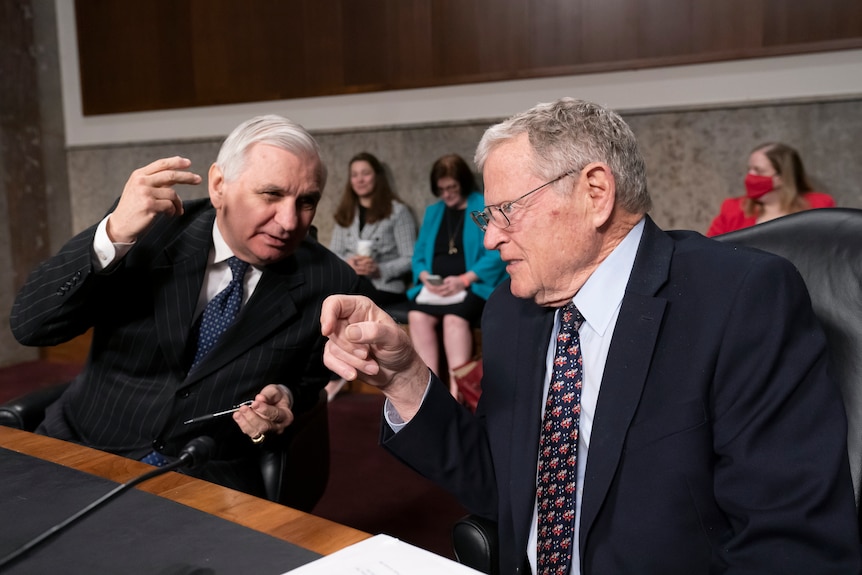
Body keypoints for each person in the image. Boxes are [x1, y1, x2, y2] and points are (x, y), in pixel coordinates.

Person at [320, 98, 861, 574]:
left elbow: (788, 541)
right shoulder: (512, 309)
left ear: (595, 192)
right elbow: (502, 486)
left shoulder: (739, 300)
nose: (488, 239)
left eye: (506, 211)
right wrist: (407, 379)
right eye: (488, 215)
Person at [10, 114, 358, 498]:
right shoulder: (149, 230)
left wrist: (286, 398)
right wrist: (110, 236)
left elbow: (308, 382)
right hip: (85, 447)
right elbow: (31, 326)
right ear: (219, 185)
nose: (290, 221)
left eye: (306, 201)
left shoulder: (331, 281)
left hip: (207, 477)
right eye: (271, 195)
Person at [407, 154, 507, 397]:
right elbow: (418, 255)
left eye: (451, 188)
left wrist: (464, 279)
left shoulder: (481, 206)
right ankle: (430, 390)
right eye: (441, 189)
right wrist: (425, 279)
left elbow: (495, 253)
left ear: (462, 183)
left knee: (454, 319)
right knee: (417, 316)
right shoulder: (434, 211)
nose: (447, 195)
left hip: (473, 285)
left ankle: (456, 390)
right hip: (436, 289)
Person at [326, 152, 416, 399]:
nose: (360, 179)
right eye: (354, 175)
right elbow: (332, 255)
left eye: (365, 173)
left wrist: (379, 269)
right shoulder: (346, 212)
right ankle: (331, 370)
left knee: (348, 300)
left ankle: (336, 376)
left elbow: (411, 257)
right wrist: (349, 264)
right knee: (331, 298)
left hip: (385, 286)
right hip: (354, 283)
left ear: (377, 177)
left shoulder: (397, 212)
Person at [706, 142, 835, 236]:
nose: (750, 176)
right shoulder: (733, 209)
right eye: (749, 169)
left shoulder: (819, 206)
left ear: (782, 177)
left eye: (758, 171)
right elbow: (709, 248)